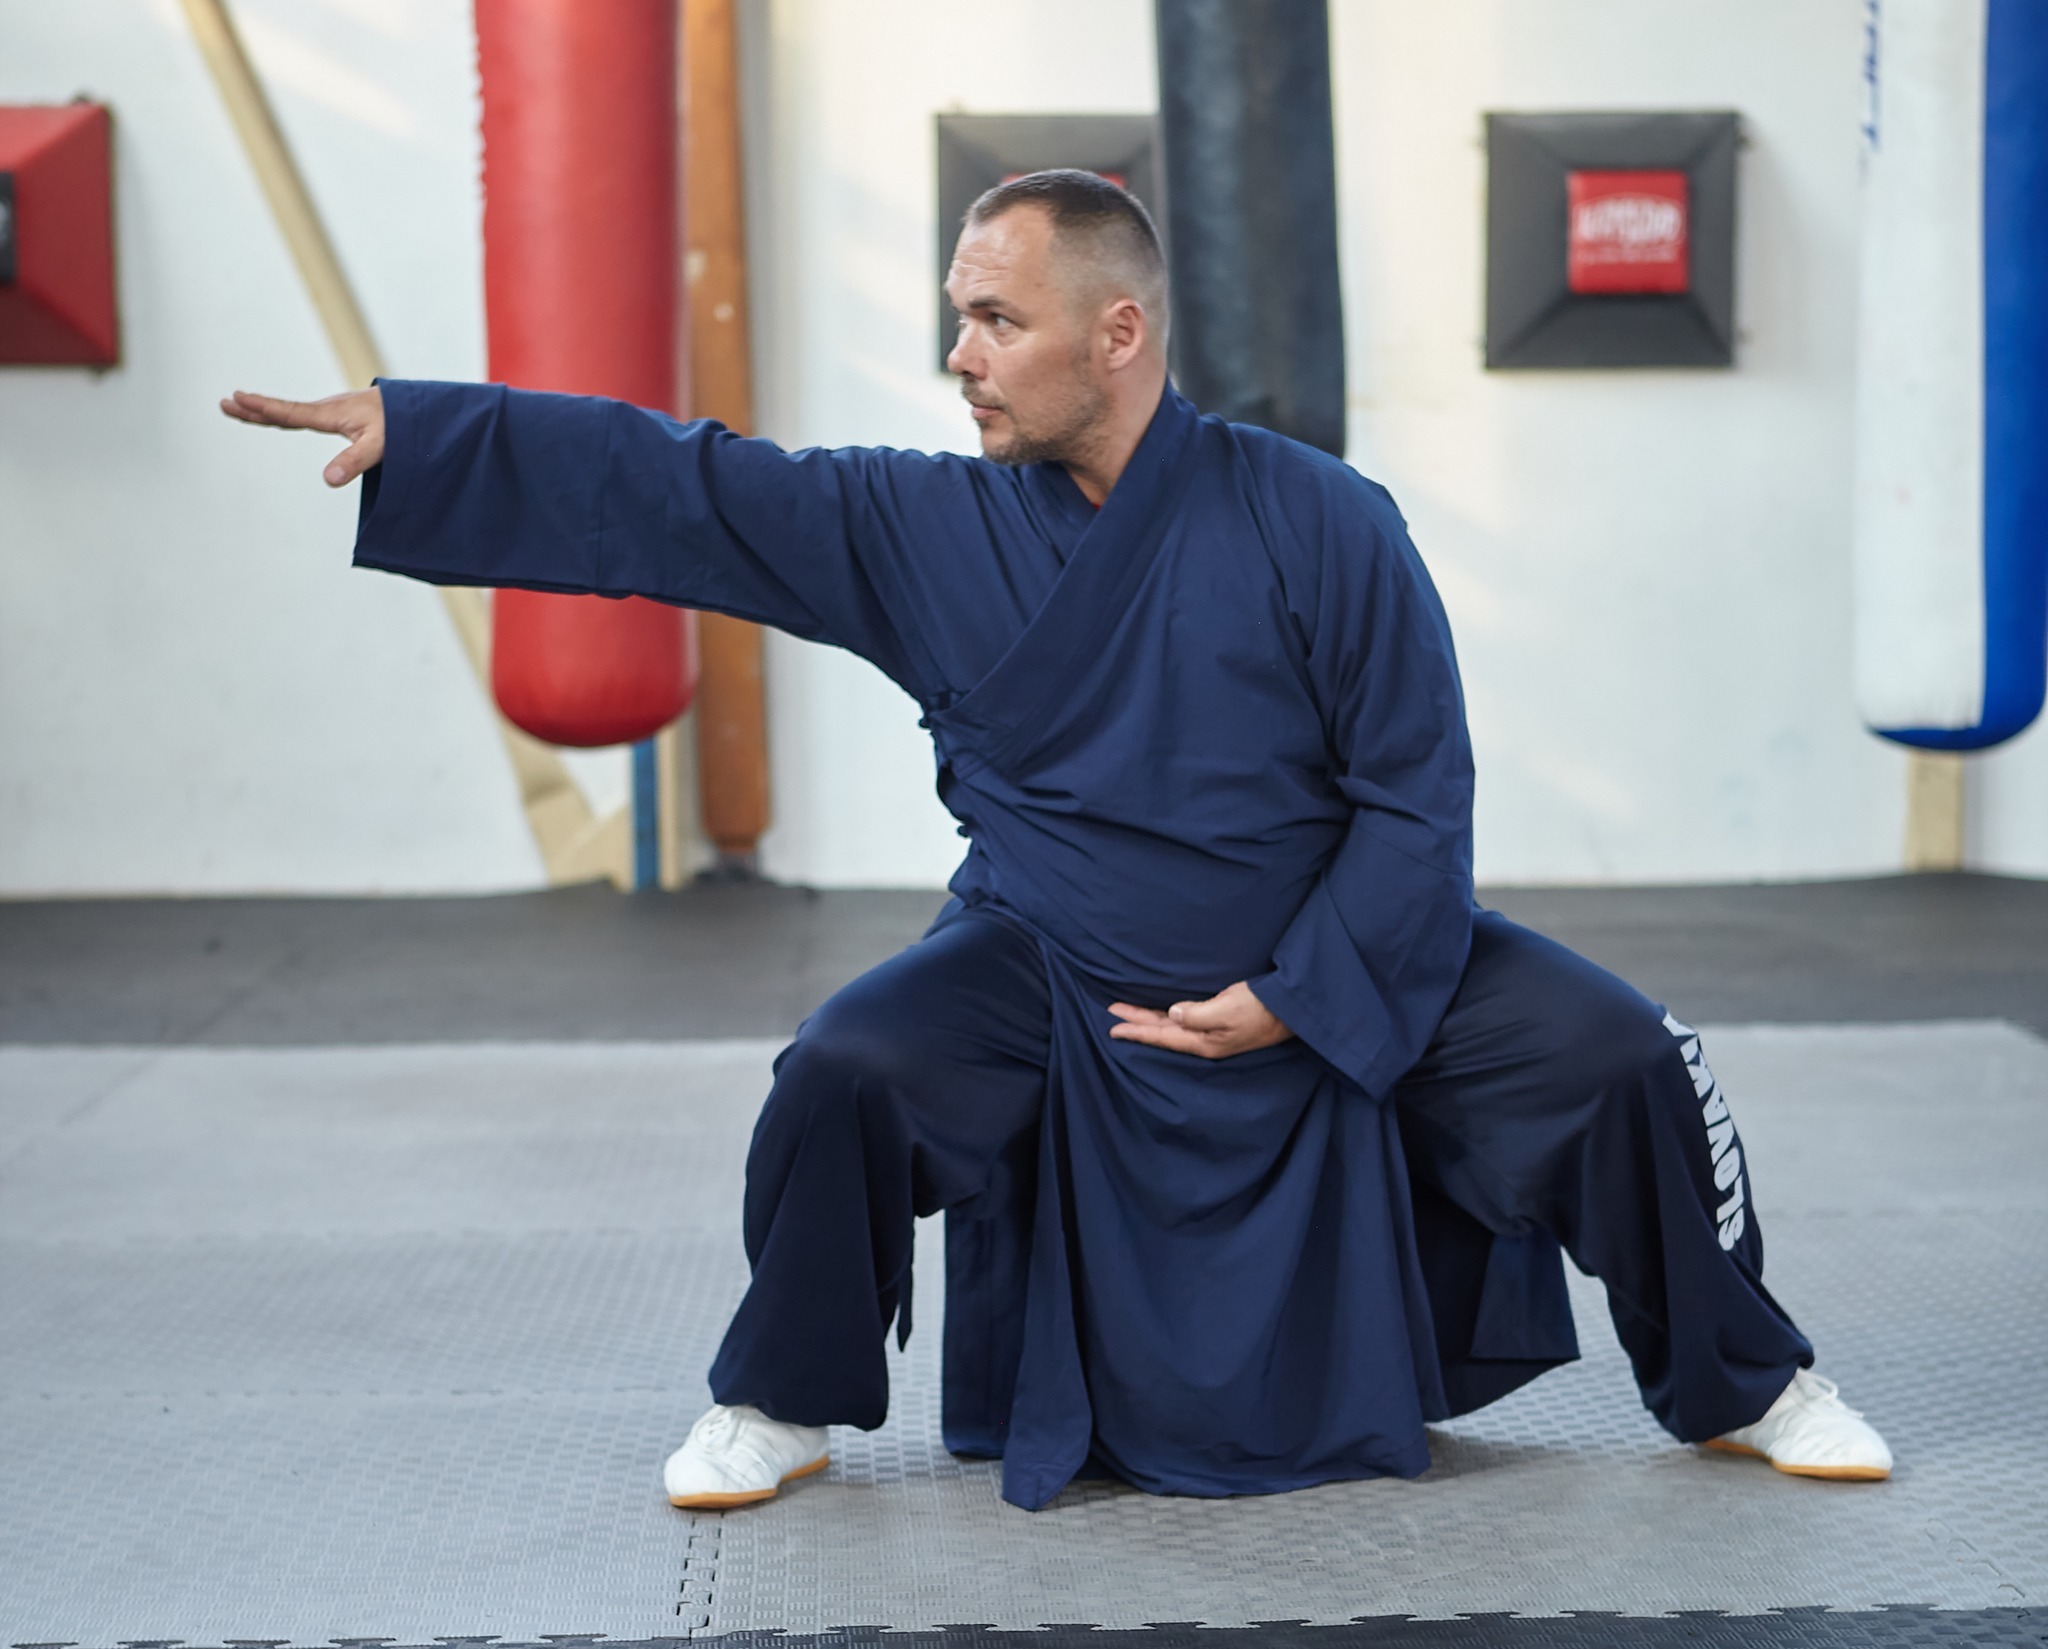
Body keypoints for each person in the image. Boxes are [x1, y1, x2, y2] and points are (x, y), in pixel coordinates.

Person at [222, 169, 1892, 1512]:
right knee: (847, 1069)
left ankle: (1745, 1380)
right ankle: (780, 1397)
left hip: (1326, 940)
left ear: (1117, 331)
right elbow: (701, 490)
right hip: (1051, 956)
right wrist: (432, 432)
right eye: (958, 316)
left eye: (995, 320)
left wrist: (1304, 992)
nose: (958, 354)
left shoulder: (1321, 517)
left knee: (1617, 1054)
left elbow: (1416, 794)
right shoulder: (926, 525)